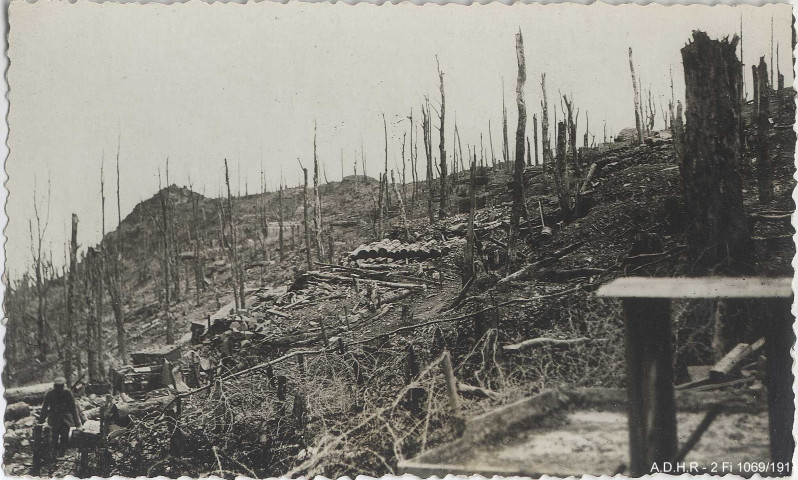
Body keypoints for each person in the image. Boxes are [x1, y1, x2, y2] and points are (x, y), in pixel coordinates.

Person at [38, 376, 82, 455]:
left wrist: (78, 423)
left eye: (60, 387)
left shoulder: (68, 393)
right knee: (54, 437)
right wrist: (40, 421)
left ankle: (61, 453)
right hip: (54, 419)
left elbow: (73, 408)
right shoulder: (50, 394)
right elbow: (44, 408)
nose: (59, 390)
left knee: (64, 437)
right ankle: (55, 454)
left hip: (65, 419)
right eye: (58, 387)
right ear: (55, 386)